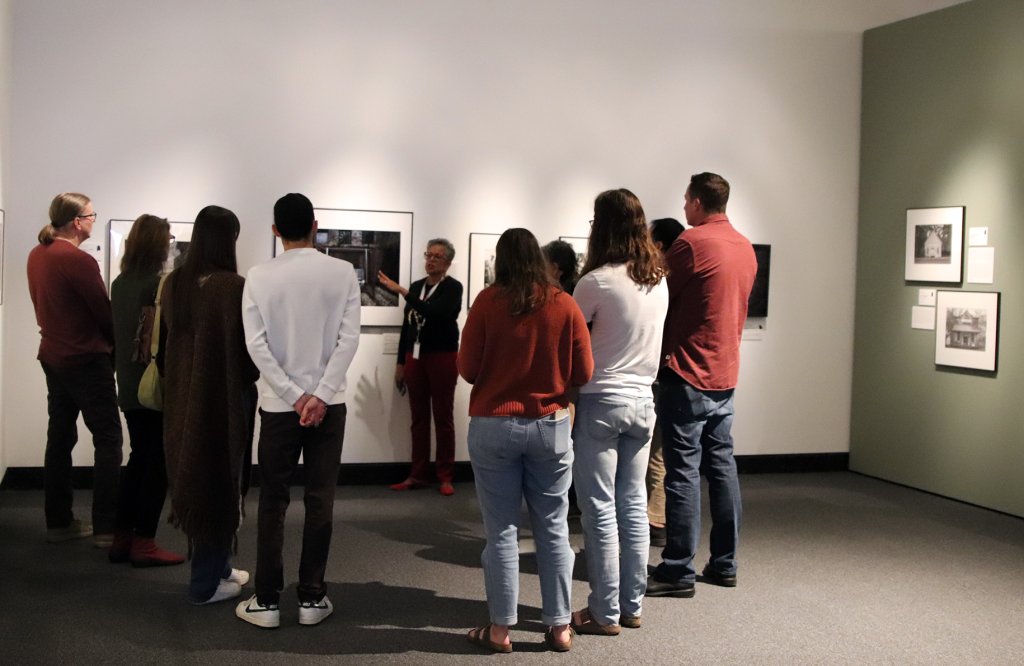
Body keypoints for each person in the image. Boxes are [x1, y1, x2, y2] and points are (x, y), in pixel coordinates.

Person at [459, 228, 593, 653]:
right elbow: (584, 373)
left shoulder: (486, 303)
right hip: (549, 426)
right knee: (553, 528)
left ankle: (500, 630)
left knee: (501, 531)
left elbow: (466, 368)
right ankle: (558, 628)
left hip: (494, 425)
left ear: (501, 261)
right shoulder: (564, 305)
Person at [236, 193, 361, 628]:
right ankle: (312, 598)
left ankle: (267, 601)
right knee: (320, 500)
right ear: (315, 225)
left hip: (278, 407)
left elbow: (257, 345)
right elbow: (349, 340)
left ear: (275, 231)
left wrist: (292, 396)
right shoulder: (342, 271)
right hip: (330, 407)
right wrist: (320, 396)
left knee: (272, 501)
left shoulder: (259, 275)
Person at [646, 173, 756, 599]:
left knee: (683, 474)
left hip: (687, 371)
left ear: (695, 202)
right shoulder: (744, 246)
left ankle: (677, 569)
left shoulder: (691, 244)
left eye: (686, 201)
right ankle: (725, 562)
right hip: (724, 373)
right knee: (723, 470)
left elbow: (659, 296)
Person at [570, 190, 668, 635]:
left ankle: (604, 611)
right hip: (643, 402)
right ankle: (632, 605)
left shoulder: (596, 281)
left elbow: (568, 341)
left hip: (601, 401)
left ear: (601, 225)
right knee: (633, 506)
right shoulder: (657, 279)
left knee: (598, 509)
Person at [160, 205, 259, 605]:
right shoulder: (232, 286)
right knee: (220, 477)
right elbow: (247, 354)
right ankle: (205, 583)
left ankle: (217, 567)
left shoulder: (174, 283)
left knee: (194, 470)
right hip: (223, 398)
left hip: (183, 396)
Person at [27, 193, 123, 547]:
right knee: (109, 439)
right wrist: (116, 350)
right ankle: (106, 528)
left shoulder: (38, 254)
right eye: (91, 215)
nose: (94, 220)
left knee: (60, 438)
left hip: (53, 356)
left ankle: (59, 521)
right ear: (77, 222)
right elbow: (103, 313)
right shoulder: (78, 261)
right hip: (85, 359)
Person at [108, 214, 184, 567]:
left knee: (138, 459)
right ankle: (145, 542)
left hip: (128, 383)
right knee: (156, 464)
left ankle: (122, 538)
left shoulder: (120, 282)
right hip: (153, 385)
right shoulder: (159, 285)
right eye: (167, 240)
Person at [378, 239, 463, 496]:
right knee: (418, 418)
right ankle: (417, 473)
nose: (431, 260)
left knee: (443, 418)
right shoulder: (417, 287)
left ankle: (445, 475)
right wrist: (400, 363)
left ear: (447, 263)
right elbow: (408, 326)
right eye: (429, 254)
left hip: (443, 357)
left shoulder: (452, 288)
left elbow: (438, 314)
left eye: (437, 256)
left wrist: (404, 292)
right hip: (415, 357)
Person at [644, 217, 684, 548]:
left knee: (657, 451)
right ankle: (658, 517)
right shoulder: (670, 279)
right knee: (663, 450)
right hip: (669, 373)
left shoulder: (663, 280)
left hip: (662, 374)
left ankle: (656, 518)